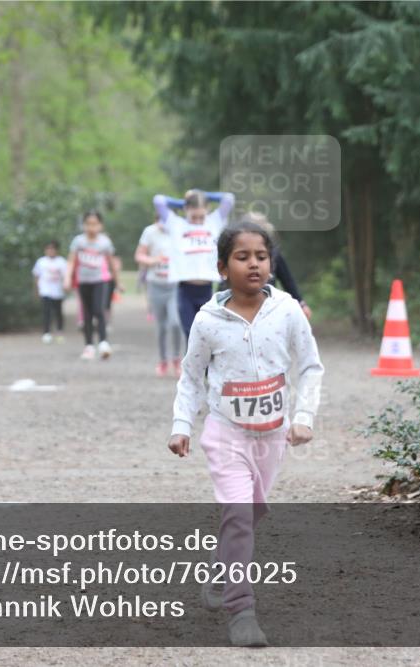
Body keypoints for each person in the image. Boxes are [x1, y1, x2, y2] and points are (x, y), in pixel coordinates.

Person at [167, 221, 324, 647]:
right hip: (225, 434)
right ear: (222, 267)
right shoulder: (208, 320)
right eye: (242, 257)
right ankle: (241, 611)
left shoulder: (288, 311)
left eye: (261, 256)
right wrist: (183, 424)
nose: (253, 264)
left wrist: (303, 415)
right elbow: (192, 376)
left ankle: (220, 568)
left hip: (272, 437)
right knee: (238, 515)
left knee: (250, 515)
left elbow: (310, 366)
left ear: (271, 264)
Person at [152, 189, 235, 340]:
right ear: (185, 210)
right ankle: (192, 364)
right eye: (193, 216)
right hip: (185, 290)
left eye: (201, 216)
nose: (197, 221)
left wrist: (200, 193)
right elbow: (158, 200)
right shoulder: (176, 224)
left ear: (208, 211)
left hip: (207, 289)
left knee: (207, 334)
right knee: (190, 333)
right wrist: (185, 200)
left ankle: (207, 364)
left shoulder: (214, 222)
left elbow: (229, 198)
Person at [225, 212, 311, 319]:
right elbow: (226, 281)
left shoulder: (275, 254)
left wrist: (300, 303)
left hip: (267, 308)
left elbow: (287, 280)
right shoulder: (235, 254)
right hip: (239, 308)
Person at [65, 210, 118, 360]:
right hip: (83, 281)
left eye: (94, 224)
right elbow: (71, 261)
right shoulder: (78, 241)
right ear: (83, 225)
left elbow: (111, 263)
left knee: (98, 309)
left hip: (101, 280)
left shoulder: (105, 242)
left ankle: (103, 343)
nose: (91, 227)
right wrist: (67, 278)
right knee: (86, 313)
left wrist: (118, 282)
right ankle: (88, 346)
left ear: (100, 225)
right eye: (88, 224)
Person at [135, 215, 184, 376]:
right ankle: (163, 360)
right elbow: (139, 256)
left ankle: (177, 359)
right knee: (162, 327)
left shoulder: (179, 230)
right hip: (155, 285)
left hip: (175, 286)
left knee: (176, 323)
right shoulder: (149, 232)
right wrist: (153, 260)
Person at [32, 241, 68, 344]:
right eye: (48, 249)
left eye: (52, 249)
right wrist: (36, 290)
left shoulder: (61, 262)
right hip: (45, 291)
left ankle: (60, 331)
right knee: (46, 312)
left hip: (58, 292)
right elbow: (36, 276)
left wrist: (66, 287)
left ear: (56, 250)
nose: (50, 251)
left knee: (58, 313)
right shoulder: (41, 262)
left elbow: (66, 276)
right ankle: (46, 333)